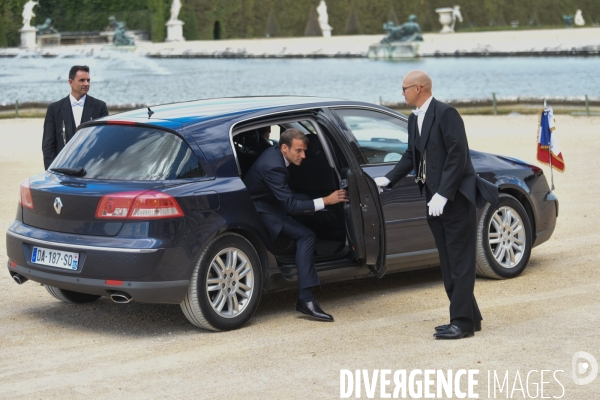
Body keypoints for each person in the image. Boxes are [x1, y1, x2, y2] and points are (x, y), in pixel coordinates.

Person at [374, 70, 497, 339]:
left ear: (419, 88)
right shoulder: (413, 119)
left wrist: (444, 193)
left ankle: (462, 323)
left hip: (453, 199)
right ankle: (470, 317)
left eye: (404, 88)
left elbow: (458, 155)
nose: (402, 93)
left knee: (461, 262)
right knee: (448, 260)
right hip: (433, 200)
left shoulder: (447, 113)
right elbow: (411, 155)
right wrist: (388, 179)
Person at [243, 128, 348, 321]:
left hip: (269, 202)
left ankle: (307, 256)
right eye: (298, 151)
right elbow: (290, 206)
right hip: (262, 212)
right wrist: (326, 200)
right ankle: (306, 300)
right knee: (306, 235)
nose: (304, 155)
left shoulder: (275, 154)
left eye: (305, 150)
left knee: (306, 198)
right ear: (284, 148)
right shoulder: (273, 167)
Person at [42, 66, 108, 170]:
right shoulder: (54, 109)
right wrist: (51, 171)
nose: (86, 84)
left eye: (88, 80)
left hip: (91, 169)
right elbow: (48, 145)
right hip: (61, 169)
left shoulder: (100, 107)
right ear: (70, 82)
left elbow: (104, 141)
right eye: (82, 80)